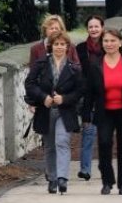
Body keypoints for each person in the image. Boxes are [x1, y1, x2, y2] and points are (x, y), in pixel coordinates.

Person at [81, 28, 122, 195]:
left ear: (120, 43)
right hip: (104, 111)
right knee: (105, 144)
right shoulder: (95, 64)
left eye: (113, 41)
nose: (109, 44)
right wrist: (85, 115)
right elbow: (89, 92)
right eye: (106, 41)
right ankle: (107, 181)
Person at [24, 32, 83, 194]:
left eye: (62, 44)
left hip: (65, 111)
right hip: (46, 110)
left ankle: (63, 178)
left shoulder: (73, 67)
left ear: (67, 47)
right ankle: (52, 178)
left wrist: (64, 98)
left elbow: (79, 91)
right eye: (56, 44)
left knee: (62, 141)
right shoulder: (41, 64)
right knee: (49, 146)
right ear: (51, 46)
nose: (59, 47)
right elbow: (29, 83)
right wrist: (43, 97)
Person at [75, 14, 105, 181]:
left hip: (106, 95)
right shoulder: (80, 49)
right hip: (88, 97)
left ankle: (104, 166)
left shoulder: (109, 45)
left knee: (105, 134)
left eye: (96, 26)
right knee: (88, 132)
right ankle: (85, 168)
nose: (94, 29)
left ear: (102, 27)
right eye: (91, 26)